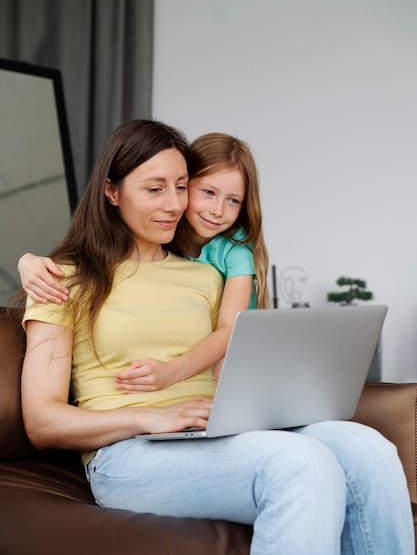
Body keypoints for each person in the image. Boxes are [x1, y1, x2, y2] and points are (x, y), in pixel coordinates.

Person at [18, 118, 414, 555]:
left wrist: (278, 403)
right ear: (112, 191)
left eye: (182, 187)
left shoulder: (206, 276)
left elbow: (227, 369)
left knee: (370, 450)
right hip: (127, 453)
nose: (173, 204)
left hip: (215, 432)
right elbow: (41, 421)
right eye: (154, 189)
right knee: (300, 465)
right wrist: (151, 416)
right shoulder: (62, 278)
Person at [18, 132, 270, 390]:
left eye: (233, 200)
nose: (217, 210)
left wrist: (174, 374)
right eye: (207, 192)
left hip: (231, 361)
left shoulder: (234, 251)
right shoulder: (163, 233)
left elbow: (229, 330)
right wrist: (28, 262)